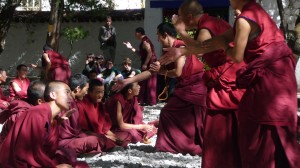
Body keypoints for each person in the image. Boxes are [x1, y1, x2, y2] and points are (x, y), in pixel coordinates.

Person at [162, 0, 300, 167]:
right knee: (260, 127)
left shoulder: (242, 20)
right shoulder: (252, 12)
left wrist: (182, 33)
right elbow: (210, 44)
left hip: (263, 80)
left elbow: (235, 55)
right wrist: (182, 50)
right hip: (274, 77)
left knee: (262, 128)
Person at [167, 0, 245, 167]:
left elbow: (200, 48)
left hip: (227, 79)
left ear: (188, 17)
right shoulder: (216, 21)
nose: (178, 21)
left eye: (180, 18)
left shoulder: (206, 27)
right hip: (231, 75)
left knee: (218, 125)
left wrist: (181, 32)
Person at [113, 22, 207, 155]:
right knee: (170, 113)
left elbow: (178, 72)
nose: (157, 39)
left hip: (196, 87)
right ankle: (179, 144)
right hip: (186, 89)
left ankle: (176, 145)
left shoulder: (180, 46)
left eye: (158, 36)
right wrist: (128, 81)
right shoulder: (169, 51)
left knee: (168, 113)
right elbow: (152, 70)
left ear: (165, 35)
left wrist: (162, 71)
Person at [0, 81, 88, 167]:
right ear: (53, 95)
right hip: (19, 163)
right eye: (67, 92)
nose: (70, 96)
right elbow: (25, 154)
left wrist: (57, 124)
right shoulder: (37, 114)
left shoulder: (52, 117)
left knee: (78, 163)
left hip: (41, 160)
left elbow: (46, 147)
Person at [58, 74, 115, 155]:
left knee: (100, 139)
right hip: (65, 142)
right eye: (86, 89)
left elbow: (77, 130)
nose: (86, 93)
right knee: (96, 140)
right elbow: (70, 132)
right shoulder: (67, 104)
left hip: (76, 138)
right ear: (78, 89)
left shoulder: (73, 102)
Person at [77, 79, 124, 147]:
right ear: (89, 92)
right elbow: (83, 130)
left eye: (102, 92)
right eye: (98, 92)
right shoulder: (81, 105)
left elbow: (105, 128)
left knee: (122, 139)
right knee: (103, 142)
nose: (100, 95)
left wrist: (115, 136)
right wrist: (105, 137)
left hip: (100, 134)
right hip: (90, 135)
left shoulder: (100, 105)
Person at [123, 27, 157, 106]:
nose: (135, 35)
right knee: (145, 81)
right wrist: (131, 47)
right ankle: (145, 100)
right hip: (147, 62)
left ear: (139, 33)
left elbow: (150, 53)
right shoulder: (143, 41)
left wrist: (145, 64)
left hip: (150, 63)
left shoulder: (145, 41)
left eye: (136, 33)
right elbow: (141, 54)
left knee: (148, 81)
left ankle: (150, 100)